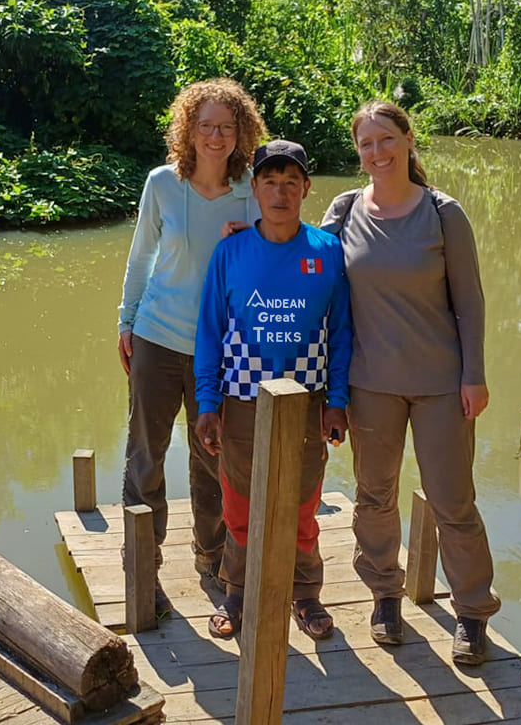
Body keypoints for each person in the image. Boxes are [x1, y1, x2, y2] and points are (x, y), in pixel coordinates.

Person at [320, 100, 499, 665]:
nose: (377, 152)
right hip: (370, 383)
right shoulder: (345, 210)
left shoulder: (444, 214)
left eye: (386, 140)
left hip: (443, 385)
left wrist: (475, 375)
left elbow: (470, 304)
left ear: (408, 140)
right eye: (366, 144)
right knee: (375, 497)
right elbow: (304, 264)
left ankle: (472, 613)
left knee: (454, 502)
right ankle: (384, 598)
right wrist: (246, 235)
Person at [117, 79, 267, 616]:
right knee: (146, 456)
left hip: (226, 348)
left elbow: (278, 262)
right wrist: (126, 320)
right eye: (205, 125)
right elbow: (140, 260)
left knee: (214, 459)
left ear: (241, 131)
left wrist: (249, 239)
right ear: (188, 129)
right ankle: (145, 569)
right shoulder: (162, 184)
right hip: (158, 336)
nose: (216, 136)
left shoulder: (255, 189)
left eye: (227, 126)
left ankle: (213, 558)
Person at [193, 140, 352, 641]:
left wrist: (338, 401)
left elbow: (342, 331)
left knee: (303, 504)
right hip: (242, 401)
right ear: (255, 188)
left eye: (290, 183)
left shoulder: (327, 252)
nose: (280, 193)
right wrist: (208, 403)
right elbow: (210, 331)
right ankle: (237, 591)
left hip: (306, 403)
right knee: (239, 504)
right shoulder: (230, 252)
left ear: (306, 189)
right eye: (269, 182)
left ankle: (305, 594)